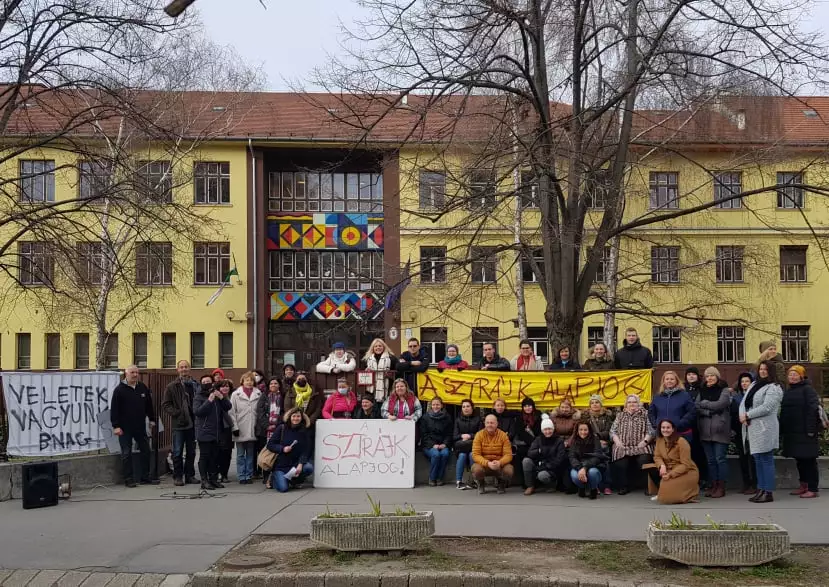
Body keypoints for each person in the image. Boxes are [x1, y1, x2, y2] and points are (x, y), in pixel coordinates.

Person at [739, 360, 784, 504]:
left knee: (766, 459)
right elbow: (744, 401)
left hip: (765, 427)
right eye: (761, 369)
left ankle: (768, 491)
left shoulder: (774, 387)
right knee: (758, 459)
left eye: (765, 369)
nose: (762, 371)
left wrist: (748, 415)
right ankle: (760, 489)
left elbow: (768, 407)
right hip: (752, 428)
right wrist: (742, 415)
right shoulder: (754, 384)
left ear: (771, 371)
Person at [110, 365, 158, 488]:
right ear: (126, 374)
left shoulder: (142, 387)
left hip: (140, 426)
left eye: (137, 372)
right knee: (126, 453)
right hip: (124, 428)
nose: (135, 375)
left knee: (146, 451)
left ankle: (145, 477)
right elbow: (114, 409)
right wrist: (116, 426)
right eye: (132, 372)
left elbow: (149, 405)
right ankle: (129, 479)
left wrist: (152, 419)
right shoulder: (119, 390)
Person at [780, 365, 821, 499]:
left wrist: (810, 429)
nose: (792, 376)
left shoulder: (807, 390)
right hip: (793, 432)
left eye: (795, 374)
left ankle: (812, 488)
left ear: (801, 376)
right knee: (800, 460)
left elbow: (812, 410)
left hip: (806, 432)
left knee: (809, 460)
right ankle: (803, 485)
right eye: (790, 374)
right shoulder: (789, 390)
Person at [696, 366, 732, 499]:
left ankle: (721, 486)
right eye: (707, 376)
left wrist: (706, 404)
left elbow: (721, 404)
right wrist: (708, 411)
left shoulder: (724, 390)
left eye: (712, 376)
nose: (709, 378)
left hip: (720, 429)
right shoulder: (702, 390)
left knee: (720, 459)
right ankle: (714, 484)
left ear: (717, 377)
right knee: (710, 460)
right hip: (705, 429)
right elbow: (697, 406)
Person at [162, 359, 199, 486]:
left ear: (190, 369)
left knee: (191, 451)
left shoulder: (195, 385)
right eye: (181, 367)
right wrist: (177, 413)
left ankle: (190, 475)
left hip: (193, 423)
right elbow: (166, 405)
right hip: (179, 424)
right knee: (177, 451)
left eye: (186, 367)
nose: (184, 369)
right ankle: (178, 476)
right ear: (178, 370)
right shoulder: (172, 386)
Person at [647, 419, 700, 504]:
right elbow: (657, 456)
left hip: (685, 471)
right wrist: (662, 466)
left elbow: (686, 465)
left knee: (667, 499)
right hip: (667, 468)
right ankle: (663, 490)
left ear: (673, 429)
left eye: (668, 427)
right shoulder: (659, 440)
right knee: (650, 468)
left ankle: (690, 493)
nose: (665, 430)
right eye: (663, 427)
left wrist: (671, 474)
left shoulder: (681, 441)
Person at [193, 374, 231, 490]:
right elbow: (198, 412)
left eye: (208, 381)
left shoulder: (216, 395)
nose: (206, 384)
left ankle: (213, 479)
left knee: (215, 456)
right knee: (205, 456)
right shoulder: (198, 397)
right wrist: (208, 401)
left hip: (217, 431)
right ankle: (204, 480)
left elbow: (228, 407)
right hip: (204, 431)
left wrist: (221, 397)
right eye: (204, 382)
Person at [610, 394, 654, 495]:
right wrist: (617, 441)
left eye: (634, 402)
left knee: (644, 460)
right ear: (626, 404)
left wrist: (645, 441)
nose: (632, 404)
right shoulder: (620, 415)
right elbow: (613, 431)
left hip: (641, 445)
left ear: (639, 403)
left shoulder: (645, 414)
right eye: (629, 402)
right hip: (623, 446)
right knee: (621, 463)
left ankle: (648, 486)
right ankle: (624, 486)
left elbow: (651, 430)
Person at [266, 408, 314, 493]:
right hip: (281, 465)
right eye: (294, 416)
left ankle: (294, 481)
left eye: (298, 416)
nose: (296, 418)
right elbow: (270, 445)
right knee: (283, 488)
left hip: (295, 464)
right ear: (289, 417)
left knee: (308, 468)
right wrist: (282, 448)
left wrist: (300, 463)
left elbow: (306, 450)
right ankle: (274, 478)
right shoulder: (282, 428)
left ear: (302, 418)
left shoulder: (305, 431)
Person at [230, 371, 263, 485]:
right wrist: (234, 427)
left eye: (251, 380)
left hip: (253, 427)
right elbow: (231, 412)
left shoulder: (258, 393)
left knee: (250, 454)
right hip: (240, 427)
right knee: (240, 454)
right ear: (242, 381)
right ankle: (241, 476)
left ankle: (249, 475)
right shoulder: (236, 394)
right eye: (247, 380)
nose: (249, 382)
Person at [523, 414, 566, 495]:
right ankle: (530, 486)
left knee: (542, 475)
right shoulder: (538, 439)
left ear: (553, 429)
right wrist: (539, 451)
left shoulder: (559, 441)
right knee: (526, 461)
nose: (548, 431)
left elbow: (560, 459)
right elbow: (530, 453)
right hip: (539, 464)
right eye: (545, 429)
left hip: (552, 468)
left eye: (549, 429)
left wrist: (545, 467)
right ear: (542, 430)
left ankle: (552, 484)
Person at [648, 371, 695, 444]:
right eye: (667, 379)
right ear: (663, 381)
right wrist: (657, 425)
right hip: (662, 434)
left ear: (676, 381)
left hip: (681, 433)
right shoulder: (657, 397)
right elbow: (651, 413)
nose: (669, 381)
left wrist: (680, 424)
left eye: (672, 379)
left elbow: (692, 412)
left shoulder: (684, 395)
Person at [471, 414, 514, 494]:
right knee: (476, 470)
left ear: (497, 424)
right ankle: (481, 484)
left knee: (509, 470)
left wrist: (500, 463)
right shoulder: (479, 435)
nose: (489, 425)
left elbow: (508, 455)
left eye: (492, 423)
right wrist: (487, 463)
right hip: (484, 464)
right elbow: (475, 455)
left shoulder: (503, 435)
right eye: (487, 423)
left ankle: (501, 484)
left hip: (499, 464)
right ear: (485, 424)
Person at [580, 395, 615, 494]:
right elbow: (584, 432)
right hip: (590, 444)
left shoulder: (607, 417)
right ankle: (595, 485)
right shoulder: (585, 417)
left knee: (605, 460)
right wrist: (596, 440)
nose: (594, 404)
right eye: (592, 403)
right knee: (592, 460)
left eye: (597, 402)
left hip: (605, 444)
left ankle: (607, 485)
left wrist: (600, 437)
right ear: (589, 405)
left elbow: (609, 431)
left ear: (601, 404)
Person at [256, 377, 285, 487]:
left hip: (278, 430)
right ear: (268, 386)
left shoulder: (282, 396)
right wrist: (267, 425)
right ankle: (266, 477)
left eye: (275, 383)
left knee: (277, 454)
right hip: (266, 430)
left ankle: (275, 476)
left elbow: (284, 412)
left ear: (279, 385)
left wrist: (277, 426)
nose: (273, 385)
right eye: (271, 383)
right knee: (267, 454)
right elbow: (260, 412)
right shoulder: (264, 397)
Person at [683, 366, 708, 492]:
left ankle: (702, 478)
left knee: (700, 453)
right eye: (689, 374)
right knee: (688, 453)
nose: (691, 376)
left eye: (693, 374)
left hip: (700, 424)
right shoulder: (682, 389)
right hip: (686, 425)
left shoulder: (702, 389)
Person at [731, 372, 757, 495]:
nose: (744, 384)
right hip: (739, 432)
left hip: (753, 430)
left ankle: (755, 484)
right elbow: (732, 414)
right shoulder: (736, 398)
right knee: (743, 459)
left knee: (753, 459)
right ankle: (746, 483)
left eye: (747, 381)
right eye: (742, 382)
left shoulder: (755, 396)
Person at [421, 397, 454, 486]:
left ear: (441, 406)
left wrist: (445, 444)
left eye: (438, 404)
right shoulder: (425, 417)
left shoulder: (447, 417)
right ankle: (432, 478)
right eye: (434, 404)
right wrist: (432, 445)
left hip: (443, 444)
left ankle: (439, 477)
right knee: (436, 455)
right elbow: (424, 435)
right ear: (431, 406)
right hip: (429, 445)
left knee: (445, 454)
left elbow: (449, 433)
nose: (436, 406)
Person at [568, 421, 604, 499]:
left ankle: (593, 489)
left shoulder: (595, 439)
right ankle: (581, 488)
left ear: (589, 430)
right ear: (577, 431)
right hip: (578, 465)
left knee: (592, 472)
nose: (583, 432)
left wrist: (585, 467)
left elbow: (597, 456)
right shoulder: (573, 440)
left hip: (593, 465)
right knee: (574, 475)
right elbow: (572, 457)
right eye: (580, 430)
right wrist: (580, 468)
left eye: (585, 430)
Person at [453, 399, 483, 489]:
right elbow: (454, 436)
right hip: (461, 447)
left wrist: (470, 436)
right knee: (462, 456)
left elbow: (480, 434)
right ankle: (459, 481)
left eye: (468, 406)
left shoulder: (478, 419)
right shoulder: (458, 420)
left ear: (472, 408)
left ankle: (474, 480)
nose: (466, 408)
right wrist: (462, 435)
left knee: (471, 455)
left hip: (473, 446)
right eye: (463, 407)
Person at [216, 378, 235, 484]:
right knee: (220, 451)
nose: (225, 388)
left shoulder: (232, 396)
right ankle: (218, 473)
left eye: (227, 386)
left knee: (228, 452)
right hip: (219, 427)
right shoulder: (217, 397)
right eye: (223, 386)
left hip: (228, 427)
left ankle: (224, 474)